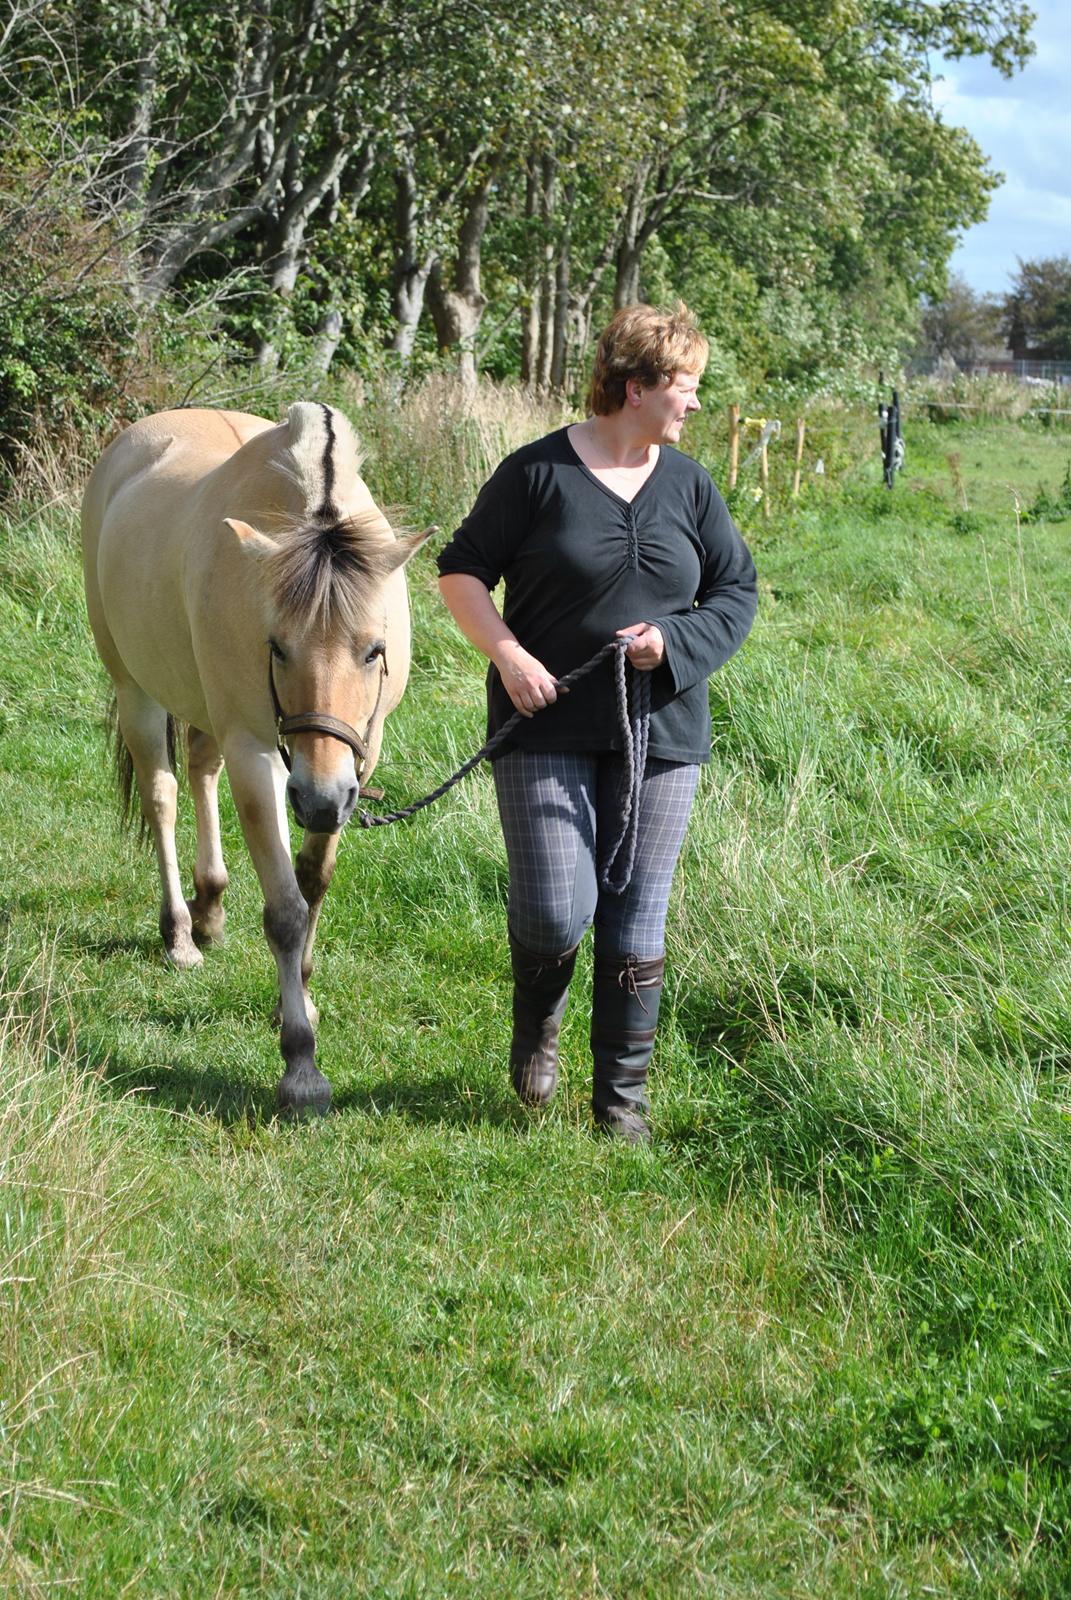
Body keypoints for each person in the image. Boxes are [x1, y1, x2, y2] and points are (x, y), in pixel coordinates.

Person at [437, 303, 757, 1142]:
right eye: (684, 388)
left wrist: (674, 641)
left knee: (636, 920)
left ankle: (621, 1106)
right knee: (552, 911)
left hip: (664, 731)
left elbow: (735, 593)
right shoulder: (534, 474)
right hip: (540, 724)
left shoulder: (690, 485)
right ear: (634, 388)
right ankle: (536, 1024)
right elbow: (461, 572)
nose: (693, 404)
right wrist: (509, 657)